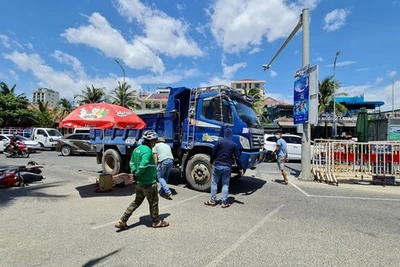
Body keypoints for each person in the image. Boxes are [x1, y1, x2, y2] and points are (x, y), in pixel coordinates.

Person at [115, 130, 169, 230]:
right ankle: (156, 221)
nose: (155, 144)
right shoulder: (148, 151)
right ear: (152, 141)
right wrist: (137, 173)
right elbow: (144, 164)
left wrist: (134, 172)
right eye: (155, 141)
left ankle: (123, 220)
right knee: (153, 202)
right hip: (148, 182)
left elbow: (131, 162)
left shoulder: (137, 149)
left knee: (136, 202)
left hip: (138, 183)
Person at [205, 128, 242, 208]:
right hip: (227, 167)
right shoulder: (234, 145)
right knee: (225, 184)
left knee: (214, 183)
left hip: (217, 165)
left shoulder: (219, 143)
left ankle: (212, 200)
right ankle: (223, 202)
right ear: (231, 135)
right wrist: (240, 168)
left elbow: (213, 153)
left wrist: (211, 162)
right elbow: (237, 158)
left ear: (224, 134)